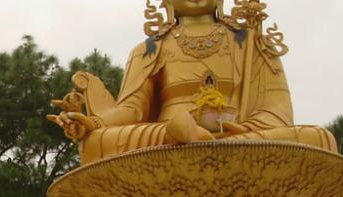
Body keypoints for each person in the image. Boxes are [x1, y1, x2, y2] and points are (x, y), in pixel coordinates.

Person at [49, 0, 336, 165]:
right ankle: (189, 134)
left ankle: (200, 138)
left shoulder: (251, 42)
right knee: (98, 144)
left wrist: (243, 129)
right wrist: (95, 125)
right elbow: (130, 111)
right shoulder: (149, 48)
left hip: (237, 137)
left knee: (317, 138)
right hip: (166, 136)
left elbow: (277, 109)